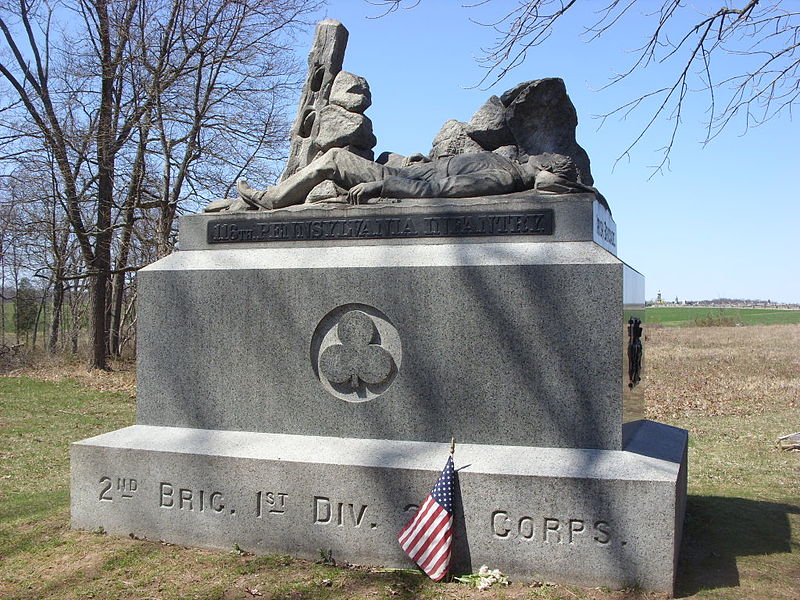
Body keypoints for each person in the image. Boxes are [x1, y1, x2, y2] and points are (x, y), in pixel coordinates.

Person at [213, 147, 600, 212]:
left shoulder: (499, 178)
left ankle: (271, 201)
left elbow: (436, 190)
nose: (536, 153)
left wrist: (382, 185)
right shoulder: (505, 164)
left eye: (543, 157)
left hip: (392, 179)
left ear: (544, 167)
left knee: (332, 158)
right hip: (403, 170)